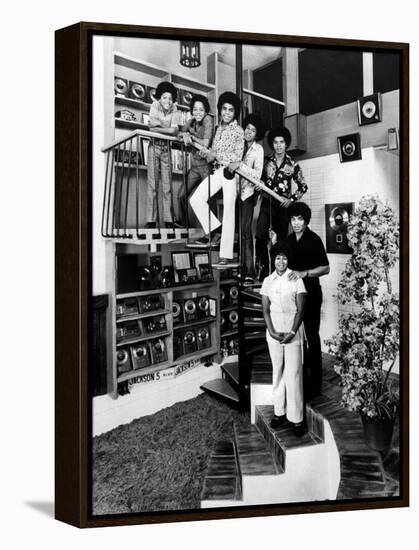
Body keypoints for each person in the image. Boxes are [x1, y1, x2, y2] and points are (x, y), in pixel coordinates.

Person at [189, 91, 244, 265]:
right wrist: (209, 154)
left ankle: (225, 255)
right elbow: (213, 154)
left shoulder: (238, 130)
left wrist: (234, 163)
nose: (227, 113)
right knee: (196, 199)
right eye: (224, 109)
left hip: (230, 173)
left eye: (231, 110)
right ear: (220, 110)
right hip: (217, 171)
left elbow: (238, 156)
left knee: (228, 213)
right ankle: (216, 229)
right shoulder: (218, 129)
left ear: (235, 113)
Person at [260, 241, 307, 436]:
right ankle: (280, 412)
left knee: (293, 374)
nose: (281, 261)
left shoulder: (296, 279)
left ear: (289, 259)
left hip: (293, 334)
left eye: (284, 257)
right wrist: (271, 331)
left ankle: (296, 419)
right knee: (277, 372)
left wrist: (293, 332)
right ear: (273, 259)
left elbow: (301, 309)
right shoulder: (267, 281)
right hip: (275, 335)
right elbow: (265, 310)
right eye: (278, 257)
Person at [286, 202, 330, 398]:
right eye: (293, 219)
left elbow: (326, 268)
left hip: (312, 294)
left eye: (300, 219)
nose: (296, 223)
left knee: (312, 337)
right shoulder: (289, 240)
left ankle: (315, 386)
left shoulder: (314, 239)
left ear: (306, 220)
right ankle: (300, 380)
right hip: (294, 296)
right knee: (296, 338)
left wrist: (305, 273)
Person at [255, 126, 308, 280]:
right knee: (260, 236)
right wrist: (259, 185)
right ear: (272, 144)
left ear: (286, 144)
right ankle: (264, 271)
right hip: (267, 202)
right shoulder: (266, 162)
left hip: (282, 207)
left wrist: (290, 200)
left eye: (282, 142)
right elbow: (260, 180)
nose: (278, 145)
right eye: (276, 142)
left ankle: (280, 275)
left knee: (281, 243)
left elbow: (303, 187)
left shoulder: (292, 164)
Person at [227, 113, 265, 283]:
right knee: (234, 231)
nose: (249, 132)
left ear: (257, 134)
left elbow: (257, 175)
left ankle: (249, 270)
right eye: (247, 128)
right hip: (232, 192)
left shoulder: (258, 149)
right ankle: (239, 268)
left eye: (253, 130)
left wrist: (240, 165)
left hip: (247, 195)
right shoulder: (238, 144)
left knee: (245, 232)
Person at [146, 81, 180, 229]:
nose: (168, 101)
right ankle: (151, 221)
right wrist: (166, 130)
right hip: (154, 147)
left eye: (170, 98)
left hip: (167, 149)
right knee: (152, 185)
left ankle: (168, 220)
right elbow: (151, 127)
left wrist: (157, 129)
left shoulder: (175, 109)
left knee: (167, 186)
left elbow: (174, 131)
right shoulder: (154, 106)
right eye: (165, 97)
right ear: (160, 97)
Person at [178, 94, 214, 227]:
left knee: (210, 199)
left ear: (205, 111)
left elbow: (205, 143)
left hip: (206, 166)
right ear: (192, 110)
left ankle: (213, 232)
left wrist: (191, 137)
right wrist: (185, 133)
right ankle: (184, 224)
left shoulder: (208, 119)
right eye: (195, 109)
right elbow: (179, 133)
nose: (198, 112)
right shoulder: (192, 121)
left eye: (201, 109)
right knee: (181, 195)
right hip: (194, 166)